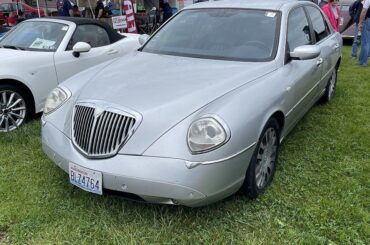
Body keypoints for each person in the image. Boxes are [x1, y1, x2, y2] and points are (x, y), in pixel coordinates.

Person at [358, 0, 370, 66]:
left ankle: (363, 62)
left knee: (365, 42)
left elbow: (364, 11)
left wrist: (360, 23)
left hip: (368, 20)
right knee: (367, 42)